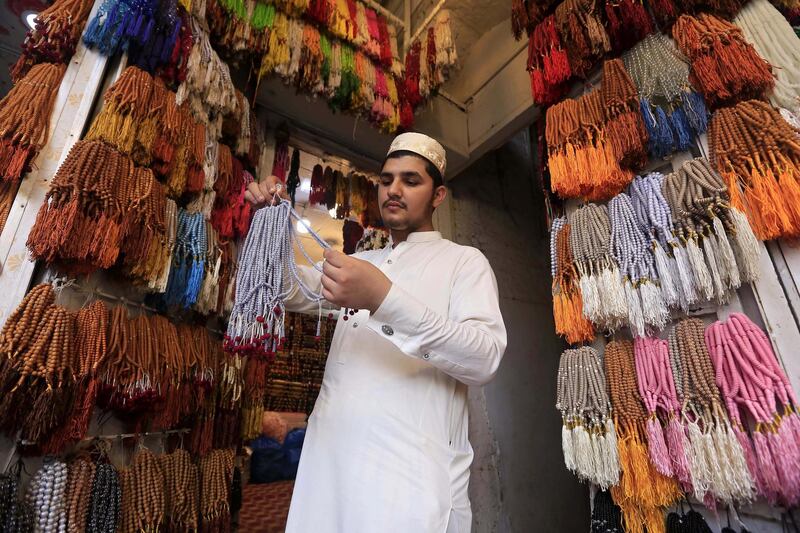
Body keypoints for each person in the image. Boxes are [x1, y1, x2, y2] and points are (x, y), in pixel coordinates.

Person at [244, 132, 507, 533]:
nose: (393, 191)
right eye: (386, 180)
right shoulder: (362, 260)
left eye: (410, 181)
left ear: (438, 196)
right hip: (329, 470)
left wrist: (383, 298)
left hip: (409, 490)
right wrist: (269, 222)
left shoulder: (464, 263)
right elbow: (289, 290)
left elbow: (484, 357)